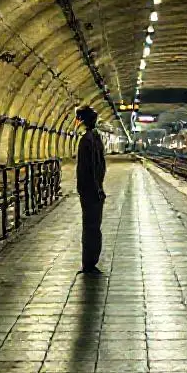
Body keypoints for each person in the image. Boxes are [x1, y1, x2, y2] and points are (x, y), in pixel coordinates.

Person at [75, 106, 107, 274]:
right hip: (93, 191)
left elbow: (93, 167)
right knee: (92, 227)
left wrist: (96, 188)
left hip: (93, 191)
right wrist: (97, 188)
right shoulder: (92, 139)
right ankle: (89, 262)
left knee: (91, 227)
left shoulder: (90, 139)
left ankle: (90, 262)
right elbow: (94, 168)